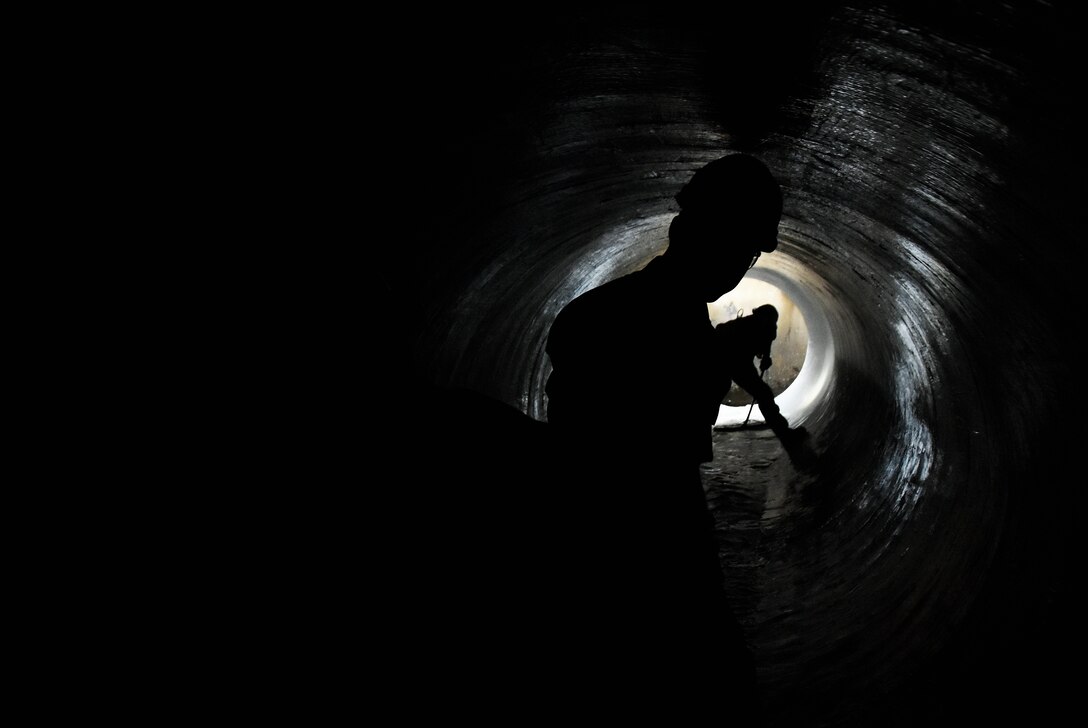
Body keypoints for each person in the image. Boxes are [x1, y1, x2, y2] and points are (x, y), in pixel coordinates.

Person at [543, 153, 782, 720]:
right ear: (688, 231)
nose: (740, 266)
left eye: (745, 253)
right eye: (740, 249)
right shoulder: (639, 320)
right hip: (640, 538)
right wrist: (720, 350)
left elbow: (657, 359)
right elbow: (646, 413)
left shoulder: (611, 311)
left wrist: (723, 344)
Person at [714, 303, 809, 455]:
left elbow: (766, 346)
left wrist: (766, 358)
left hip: (740, 363)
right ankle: (784, 433)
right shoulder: (743, 326)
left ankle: (784, 432)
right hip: (725, 360)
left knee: (763, 393)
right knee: (761, 393)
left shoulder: (766, 327)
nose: (770, 326)